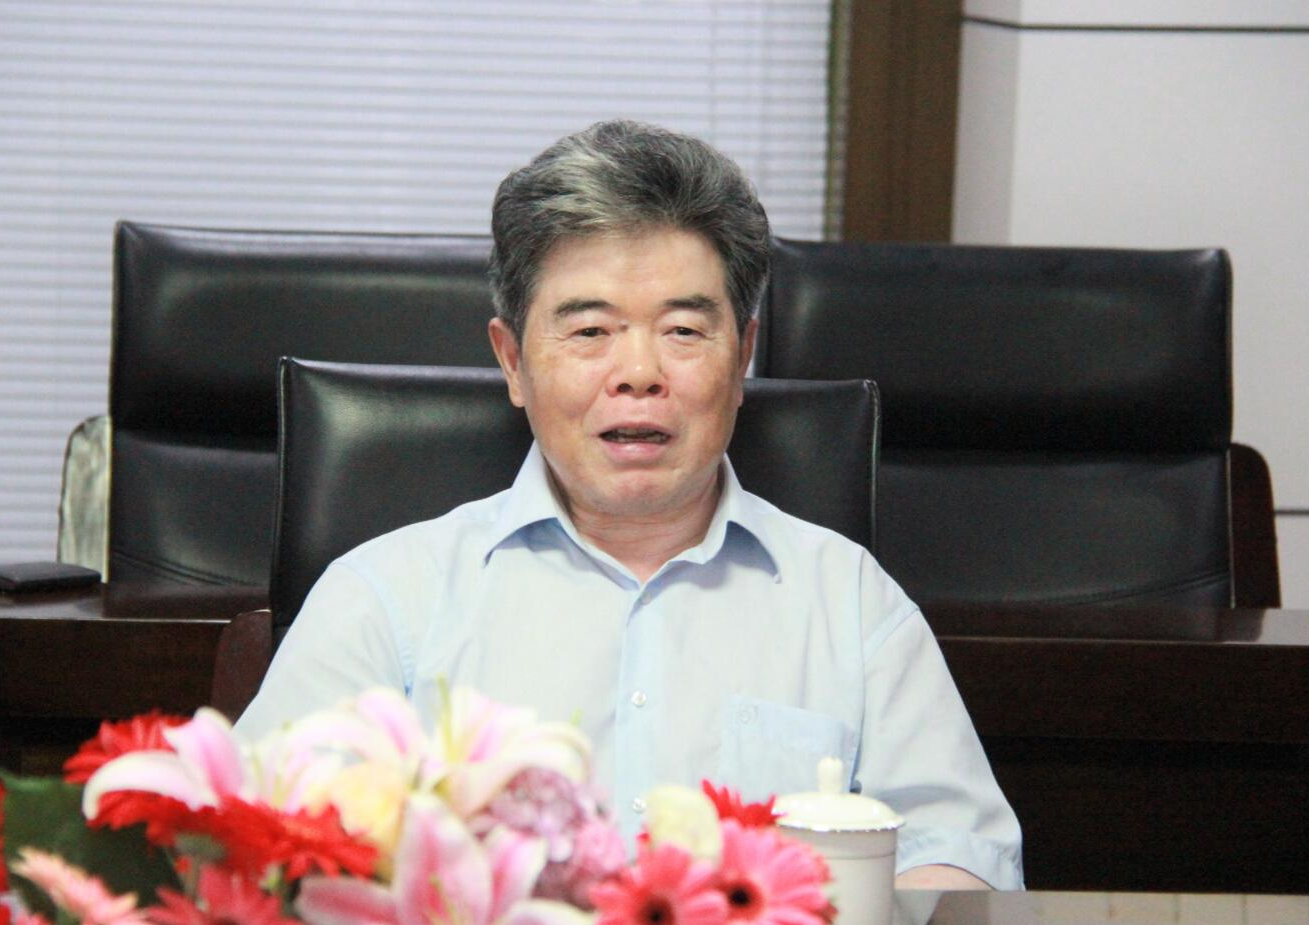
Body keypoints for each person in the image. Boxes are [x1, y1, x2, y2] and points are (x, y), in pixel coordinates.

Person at [238, 120, 1024, 889]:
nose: (639, 372)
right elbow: (256, 844)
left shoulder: (850, 601)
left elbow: (962, 855)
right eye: (590, 331)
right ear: (512, 362)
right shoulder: (387, 597)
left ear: (742, 358)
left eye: (682, 330)